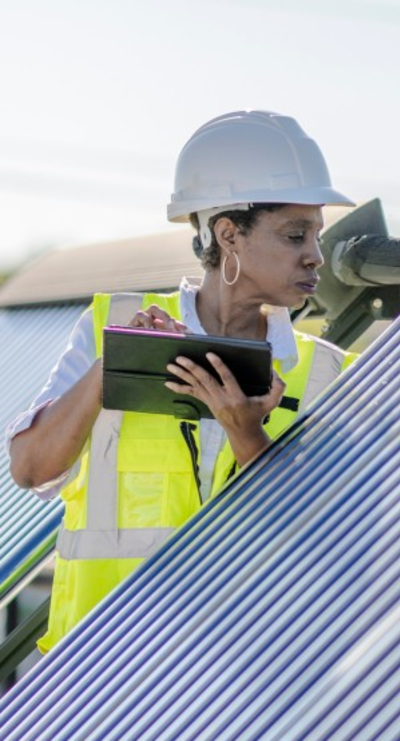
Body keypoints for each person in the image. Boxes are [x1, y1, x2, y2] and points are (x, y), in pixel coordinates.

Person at [7, 109, 358, 652]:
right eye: (295, 234)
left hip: (240, 677)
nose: (315, 254)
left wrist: (248, 435)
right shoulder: (111, 325)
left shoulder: (329, 374)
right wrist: (115, 366)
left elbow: (330, 549)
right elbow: (31, 471)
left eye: (317, 233)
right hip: (96, 680)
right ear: (228, 234)